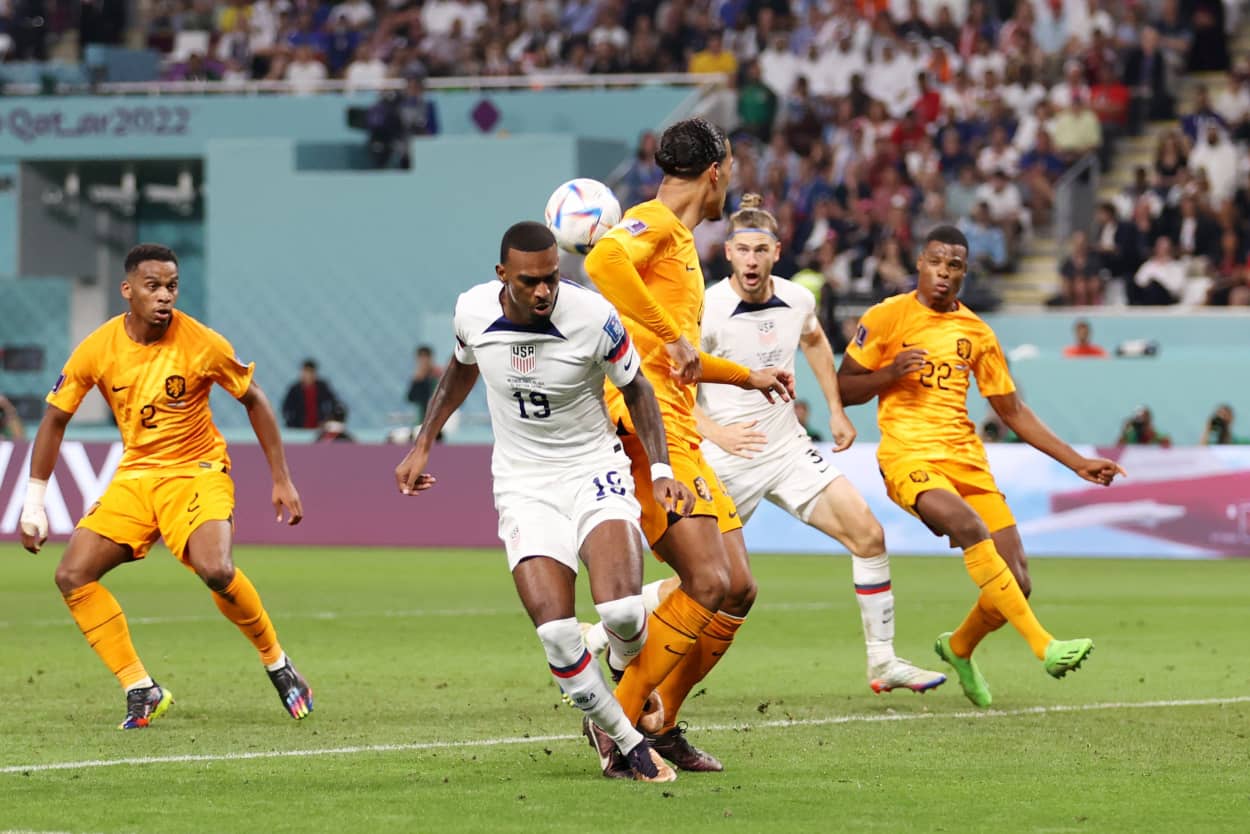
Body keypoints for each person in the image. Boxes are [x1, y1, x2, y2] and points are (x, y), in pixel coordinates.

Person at [591, 195, 948, 696]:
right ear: (729, 253)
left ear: (777, 252)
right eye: (742, 250)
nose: (752, 260)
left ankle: (883, 660)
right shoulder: (706, 308)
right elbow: (671, 381)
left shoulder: (798, 300)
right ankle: (603, 632)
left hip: (787, 450)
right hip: (724, 457)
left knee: (869, 535)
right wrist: (717, 433)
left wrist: (837, 410)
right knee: (708, 581)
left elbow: (817, 340)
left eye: (761, 250)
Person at [393, 222, 693, 783]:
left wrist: (658, 470)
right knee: (556, 635)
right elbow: (460, 368)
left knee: (624, 614)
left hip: (591, 469)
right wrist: (424, 442)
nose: (544, 291)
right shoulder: (472, 312)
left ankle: (616, 662)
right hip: (523, 483)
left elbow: (638, 390)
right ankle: (626, 743)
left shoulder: (593, 318)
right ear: (502, 275)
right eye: (530, 281)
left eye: (552, 277)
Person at [17, 244, 312, 729]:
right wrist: (34, 501)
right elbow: (54, 419)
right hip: (136, 476)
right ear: (127, 290)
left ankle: (277, 663)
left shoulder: (201, 343)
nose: (164, 296)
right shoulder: (98, 347)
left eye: (172, 286)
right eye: (153, 286)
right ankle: (141, 687)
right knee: (72, 576)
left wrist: (281, 478)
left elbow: (253, 400)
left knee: (215, 568)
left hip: (196, 470)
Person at [837, 226, 1125, 707]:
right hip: (908, 456)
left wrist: (1076, 462)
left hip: (968, 462)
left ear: (965, 272)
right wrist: (889, 374)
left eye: (954, 266)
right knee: (970, 527)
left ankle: (959, 647)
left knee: (1019, 581)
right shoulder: (887, 316)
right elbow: (843, 387)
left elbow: (1012, 412)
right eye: (936, 262)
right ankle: (1044, 645)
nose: (944, 273)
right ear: (919, 264)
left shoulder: (977, 333)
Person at [583, 118, 794, 773]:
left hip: (682, 425)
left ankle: (663, 722)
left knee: (738, 589)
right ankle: (620, 725)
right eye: (730, 168)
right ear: (717, 171)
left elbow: (682, 353)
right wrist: (668, 336)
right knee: (706, 580)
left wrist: (745, 374)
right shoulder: (653, 223)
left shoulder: (679, 242)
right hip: (650, 432)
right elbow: (601, 260)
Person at [281, 358, 340, 429]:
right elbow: (286, 408)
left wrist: (328, 419)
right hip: (299, 427)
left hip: (319, 428)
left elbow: (333, 403)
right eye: (305, 372)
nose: (307, 375)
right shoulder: (295, 389)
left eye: (310, 372)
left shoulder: (322, 387)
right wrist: (291, 422)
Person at [406, 344, 443, 424]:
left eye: (425, 357)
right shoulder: (418, 377)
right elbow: (411, 398)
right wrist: (417, 381)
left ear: (430, 358)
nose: (423, 361)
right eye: (420, 358)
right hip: (422, 421)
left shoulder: (438, 375)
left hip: (438, 421)